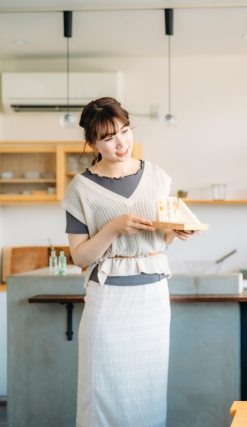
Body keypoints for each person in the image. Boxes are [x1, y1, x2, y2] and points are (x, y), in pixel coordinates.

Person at [61, 97, 197, 427]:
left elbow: (159, 238)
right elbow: (80, 256)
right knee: (103, 390)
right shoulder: (81, 188)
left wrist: (176, 232)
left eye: (124, 130)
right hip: (108, 300)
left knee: (148, 392)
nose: (121, 142)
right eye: (108, 137)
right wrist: (112, 228)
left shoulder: (157, 176)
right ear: (92, 142)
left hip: (152, 299)